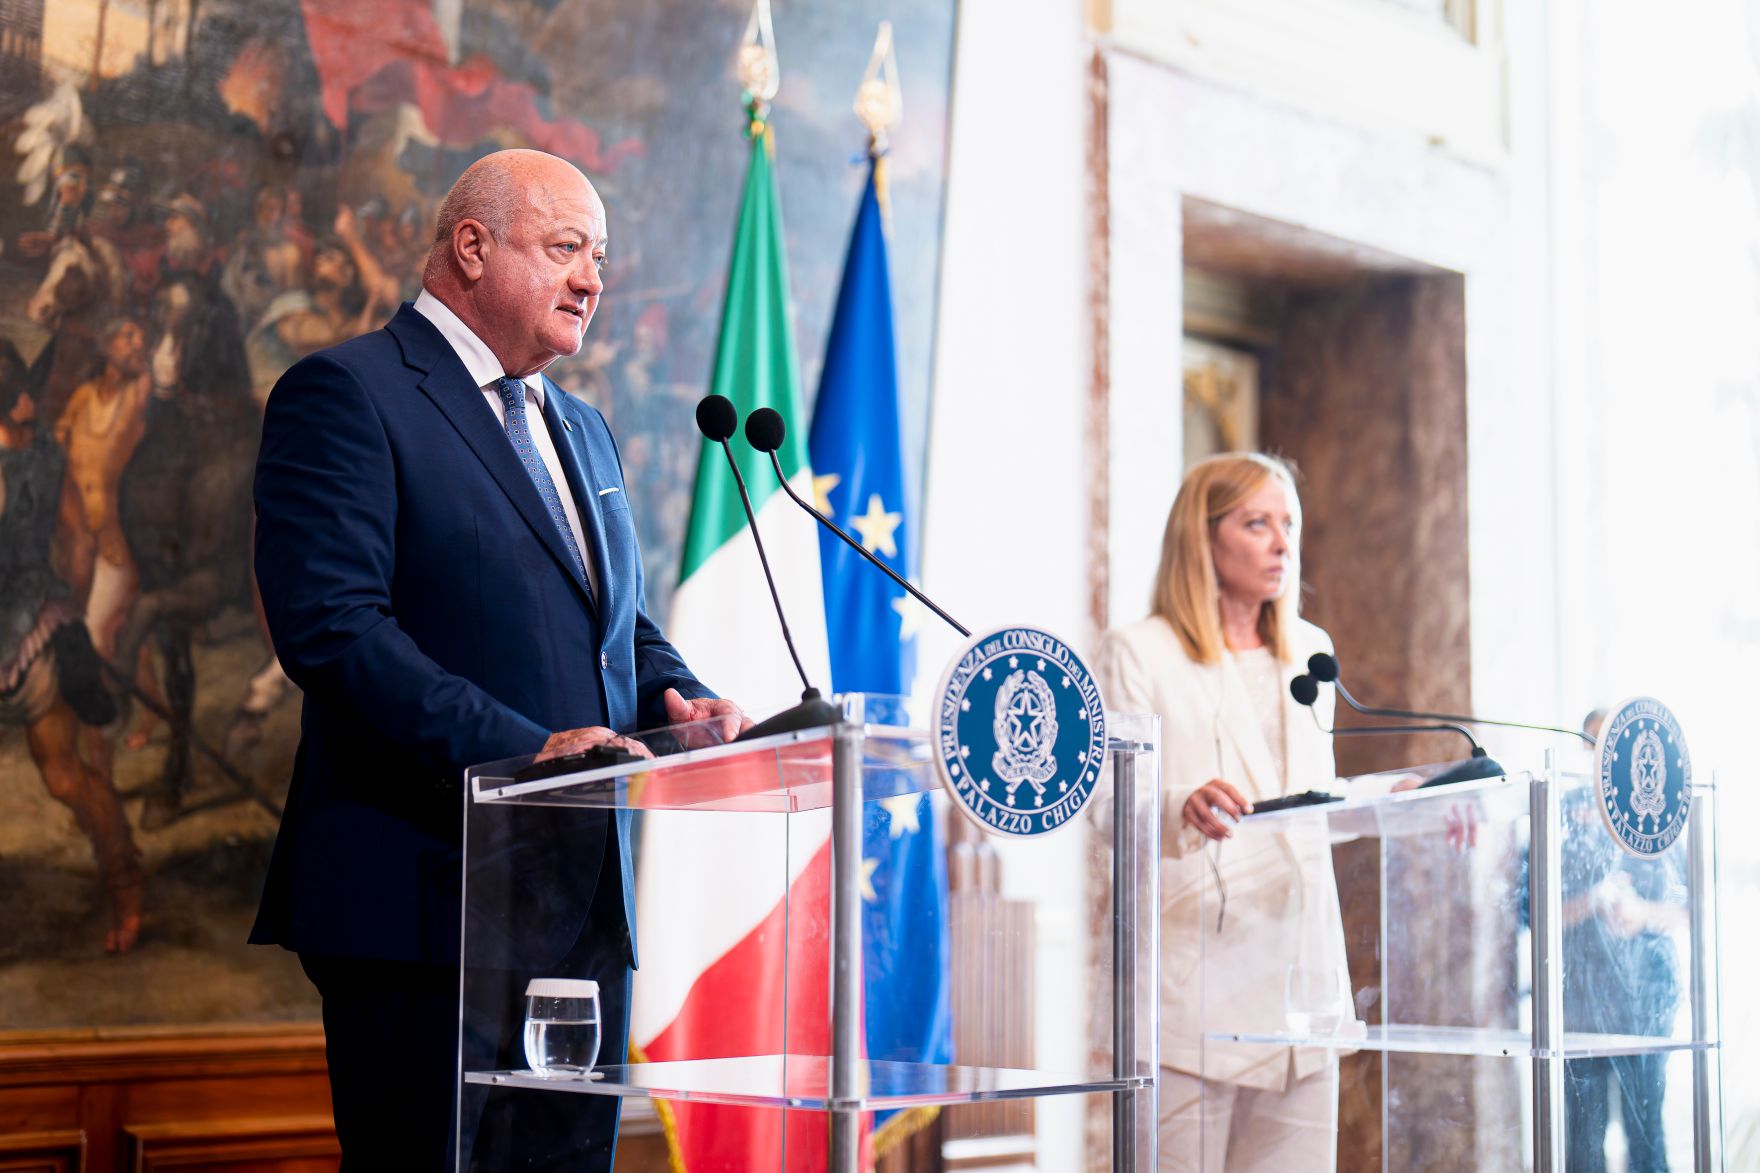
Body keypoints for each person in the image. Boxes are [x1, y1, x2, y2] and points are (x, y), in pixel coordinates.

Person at [248, 148, 744, 1171]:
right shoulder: (347, 393)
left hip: (578, 912)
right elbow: (331, 627)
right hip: (425, 902)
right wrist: (526, 754)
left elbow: (615, 617)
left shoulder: (584, 429)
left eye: (598, 257)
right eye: (566, 248)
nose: (592, 280)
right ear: (471, 247)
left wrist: (673, 688)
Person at [1098, 453, 1351, 1172]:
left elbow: (1315, 796)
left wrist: (1408, 799)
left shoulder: (1313, 652)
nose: (1282, 543)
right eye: (1257, 523)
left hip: (1304, 988)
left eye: (1289, 524)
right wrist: (1182, 801)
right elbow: (1104, 800)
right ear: (1203, 538)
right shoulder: (1141, 652)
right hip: (1197, 993)